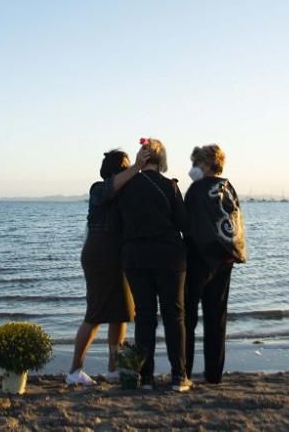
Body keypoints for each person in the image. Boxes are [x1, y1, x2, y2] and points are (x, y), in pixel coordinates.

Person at [66, 148, 148, 386]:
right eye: (125, 165)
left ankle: (114, 369)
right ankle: (75, 370)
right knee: (95, 313)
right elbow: (113, 187)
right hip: (100, 256)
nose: (129, 167)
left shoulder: (127, 192)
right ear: (114, 169)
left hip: (118, 257)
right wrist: (137, 167)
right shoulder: (98, 189)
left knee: (121, 313)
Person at [116, 138, 191, 392]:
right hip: (169, 257)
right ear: (162, 160)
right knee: (174, 315)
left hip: (135, 257)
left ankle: (145, 377)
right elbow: (184, 224)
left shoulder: (126, 187)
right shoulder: (170, 187)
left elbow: (119, 223)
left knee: (144, 317)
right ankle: (178, 377)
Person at [183, 144, 247, 384]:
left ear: (208, 164)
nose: (193, 168)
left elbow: (187, 223)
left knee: (188, 317)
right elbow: (235, 222)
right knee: (216, 318)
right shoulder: (228, 188)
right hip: (224, 259)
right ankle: (214, 374)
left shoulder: (197, 189)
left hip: (197, 259)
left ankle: (184, 371)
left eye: (196, 164)